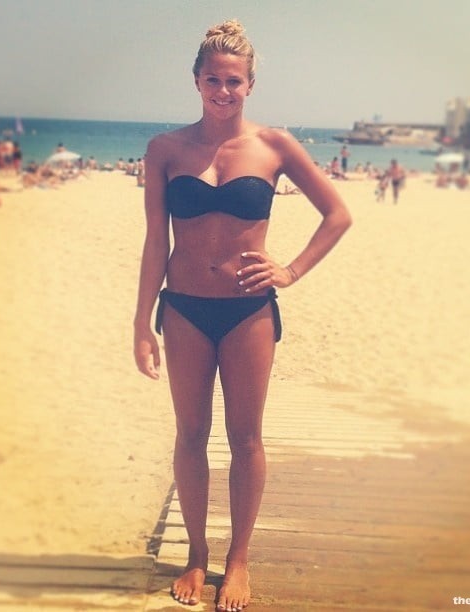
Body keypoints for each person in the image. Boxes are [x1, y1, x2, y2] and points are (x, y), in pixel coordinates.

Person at [133, 20, 351, 612]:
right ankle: (196, 553)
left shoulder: (274, 145)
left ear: (250, 84)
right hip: (182, 309)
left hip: (248, 311)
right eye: (213, 80)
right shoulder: (165, 149)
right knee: (190, 434)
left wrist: (291, 271)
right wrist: (140, 323)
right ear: (196, 81)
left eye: (234, 81)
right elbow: (155, 241)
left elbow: (337, 214)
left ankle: (238, 560)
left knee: (246, 437)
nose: (223, 91)